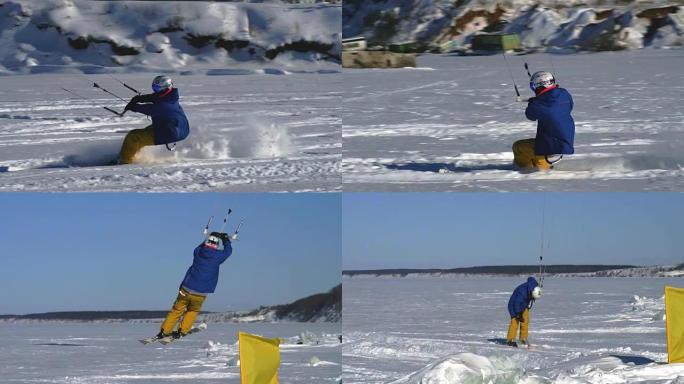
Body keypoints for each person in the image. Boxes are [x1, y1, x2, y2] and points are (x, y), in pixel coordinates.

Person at [156, 231, 233, 340]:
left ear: (206, 242)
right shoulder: (218, 257)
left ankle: (164, 331)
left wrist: (211, 236)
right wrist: (225, 239)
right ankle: (182, 331)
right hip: (201, 293)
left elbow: (200, 246)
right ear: (216, 246)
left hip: (186, 288)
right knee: (192, 311)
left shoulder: (198, 252)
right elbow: (228, 251)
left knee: (176, 310)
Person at [118, 75, 190, 164]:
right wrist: (140, 98)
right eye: (154, 87)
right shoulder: (171, 97)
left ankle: (124, 162)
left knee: (133, 136)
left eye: (157, 88)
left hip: (170, 133)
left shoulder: (161, 105)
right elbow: (155, 97)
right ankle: (132, 153)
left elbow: (146, 108)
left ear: (165, 88)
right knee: (146, 131)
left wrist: (132, 106)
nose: (155, 91)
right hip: (180, 128)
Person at [513, 71, 575, 171]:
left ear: (539, 85)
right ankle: (538, 167)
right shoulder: (564, 94)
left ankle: (524, 170)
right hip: (565, 142)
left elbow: (530, 115)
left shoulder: (538, 104)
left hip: (550, 146)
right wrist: (537, 100)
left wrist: (534, 102)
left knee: (518, 146)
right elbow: (555, 105)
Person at [506, 276, 542, 347]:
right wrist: (518, 314)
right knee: (515, 321)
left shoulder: (535, 287)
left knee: (525, 320)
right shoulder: (522, 293)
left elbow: (531, 279)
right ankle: (510, 340)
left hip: (523, 304)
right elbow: (517, 303)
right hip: (513, 305)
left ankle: (523, 338)